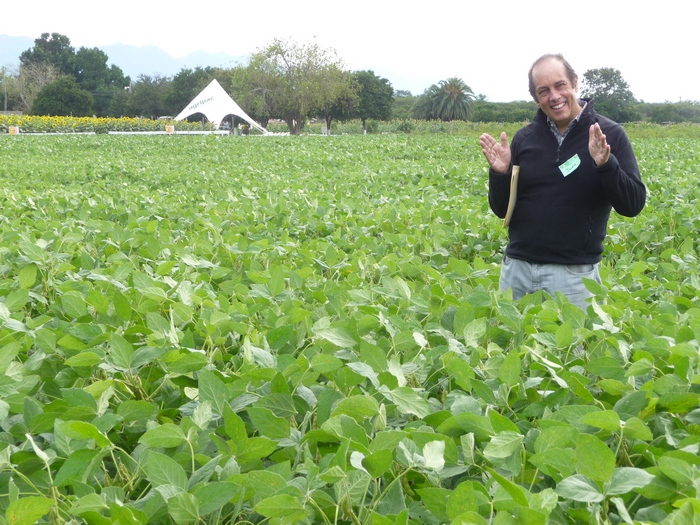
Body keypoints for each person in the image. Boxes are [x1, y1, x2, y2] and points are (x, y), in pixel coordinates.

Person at [479, 54, 646, 310]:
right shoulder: (525, 139)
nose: (554, 96)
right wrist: (500, 174)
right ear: (536, 98)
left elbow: (632, 204)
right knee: (511, 345)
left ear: (575, 83)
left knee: (571, 348)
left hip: (573, 276)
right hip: (517, 270)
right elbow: (503, 209)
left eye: (560, 85)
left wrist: (606, 164)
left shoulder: (608, 134)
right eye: (543, 91)